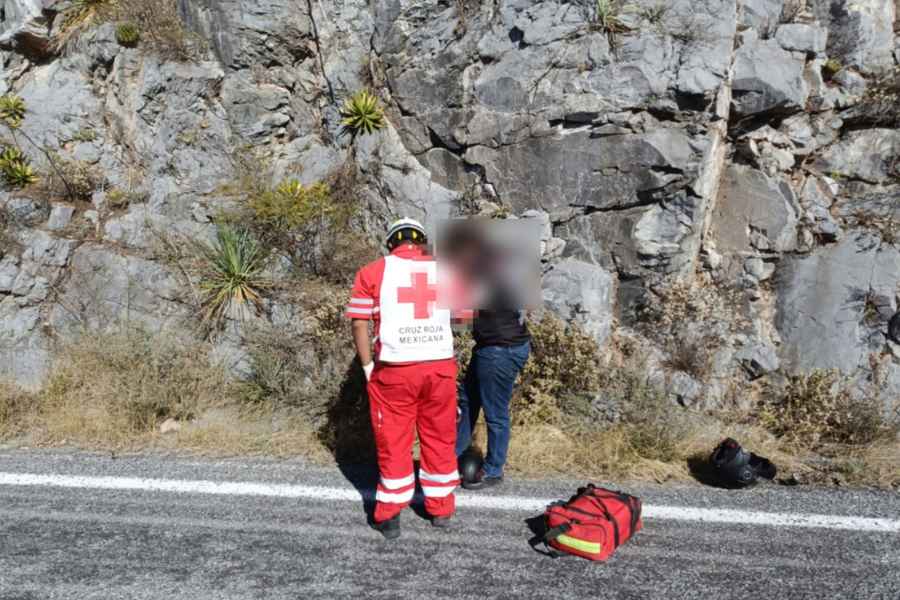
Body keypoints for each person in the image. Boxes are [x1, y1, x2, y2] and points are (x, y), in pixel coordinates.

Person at [346, 218, 459, 539]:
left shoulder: (372, 272)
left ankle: (390, 515)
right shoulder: (446, 269)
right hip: (439, 367)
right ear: (422, 242)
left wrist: (368, 366)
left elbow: (358, 323)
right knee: (439, 437)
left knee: (394, 440)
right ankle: (441, 509)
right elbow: (463, 314)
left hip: (395, 369)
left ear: (391, 243)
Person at [456, 305, 531, 490]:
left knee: (495, 412)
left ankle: (493, 470)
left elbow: (461, 317)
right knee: (468, 400)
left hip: (499, 348)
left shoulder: (484, 277)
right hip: (497, 344)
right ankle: (454, 454)